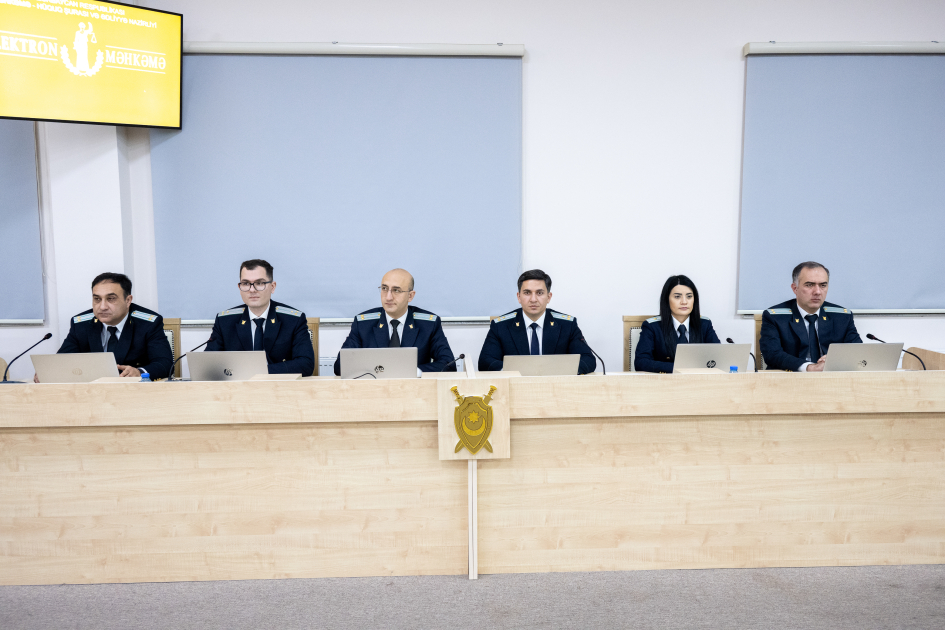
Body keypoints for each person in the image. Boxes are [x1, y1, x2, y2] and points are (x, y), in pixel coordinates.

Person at [46, 272, 173, 380]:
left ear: (128, 300)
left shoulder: (148, 324)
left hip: (133, 392)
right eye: (97, 299)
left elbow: (165, 364)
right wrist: (49, 373)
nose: (102, 307)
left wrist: (139, 372)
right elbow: (62, 361)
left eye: (111, 299)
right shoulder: (81, 324)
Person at [333, 268, 456, 376]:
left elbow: (449, 364)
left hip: (414, 390)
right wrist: (380, 371)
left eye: (396, 290)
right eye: (384, 289)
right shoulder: (363, 324)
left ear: (410, 296)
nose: (388, 297)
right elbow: (340, 366)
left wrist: (412, 372)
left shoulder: (429, 324)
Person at [206, 259, 315, 376]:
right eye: (246, 283)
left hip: (278, 385)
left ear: (272, 287)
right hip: (238, 386)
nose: (252, 290)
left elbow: (306, 364)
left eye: (259, 283)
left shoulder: (293, 320)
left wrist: (258, 372)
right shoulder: (225, 321)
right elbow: (208, 364)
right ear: (239, 287)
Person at [478, 269, 596, 374]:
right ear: (519, 297)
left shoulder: (567, 325)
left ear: (548, 297)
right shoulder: (501, 326)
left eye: (539, 293)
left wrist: (558, 371)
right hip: (517, 386)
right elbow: (485, 362)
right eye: (527, 293)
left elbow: (588, 359)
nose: (533, 299)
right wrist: (518, 372)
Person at [760, 261, 861, 372]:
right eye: (809, 285)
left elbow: (858, 351)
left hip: (831, 378)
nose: (817, 292)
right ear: (795, 288)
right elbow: (772, 354)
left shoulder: (842, 316)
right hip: (791, 377)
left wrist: (835, 359)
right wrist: (809, 367)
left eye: (823, 285)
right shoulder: (775, 317)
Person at [635, 275, 720, 373]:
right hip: (665, 380)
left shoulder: (704, 324)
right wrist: (679, 368)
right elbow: (641, 362)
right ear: (667, 299)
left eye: (689, 296)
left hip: (698, 380)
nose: (684, 302)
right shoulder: (652, 326)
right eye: (677, 297)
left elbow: (718, 357)